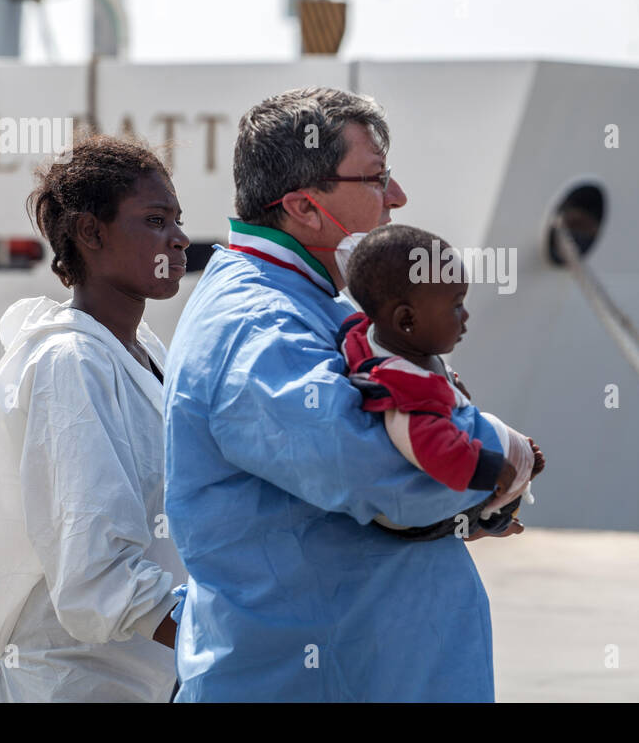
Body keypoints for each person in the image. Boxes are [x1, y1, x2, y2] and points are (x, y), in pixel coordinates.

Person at [163, 88, 522, 702]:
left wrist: (472, 500)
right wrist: (503, 455)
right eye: (378, 178)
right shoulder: (257, 326)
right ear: (305, 206)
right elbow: (371, 469)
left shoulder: (307, 303)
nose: (398, 197)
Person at [0, 135, 190, 702]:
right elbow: (96, 573)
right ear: (91, 233)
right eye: (156, 219)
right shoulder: (70, 364)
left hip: (143, 681)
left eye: (178, 219)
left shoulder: (144, 351)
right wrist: (224, 635)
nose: (180, 238)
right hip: (74, 685)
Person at [337, 223, 545, 541]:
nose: (466, 316)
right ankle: (489, 523)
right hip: (417, 523)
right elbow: (430, 445)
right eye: (456, 306)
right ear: (406, 320)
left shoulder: (370, 332)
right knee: (508, 466)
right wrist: (487, 467)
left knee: (506, 443)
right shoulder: (405, 388)